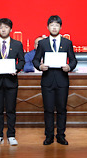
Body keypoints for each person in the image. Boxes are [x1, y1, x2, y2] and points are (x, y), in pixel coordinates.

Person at [33, 15, 77, 145]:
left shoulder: (67, 43)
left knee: (62, 109)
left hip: (62, 80)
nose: (54, 27)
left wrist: (69, 67)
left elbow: (73, 60)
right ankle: (49, 136)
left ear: (60, 27)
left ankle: (61, 135)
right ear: (47, 27)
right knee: (48, 109)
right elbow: (35, 60)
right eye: (52, 25)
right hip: (47, 81)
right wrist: (40, 66)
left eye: (57, 25)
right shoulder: (43, 43)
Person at [0, 18, 25, 146]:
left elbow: (22, 61)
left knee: (11, 109)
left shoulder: (17, 44)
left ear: (11, 29)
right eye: (1, 27)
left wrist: (16, 69)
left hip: (11, 81)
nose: (3, 29)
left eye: (6, 27)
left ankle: (11, 135)